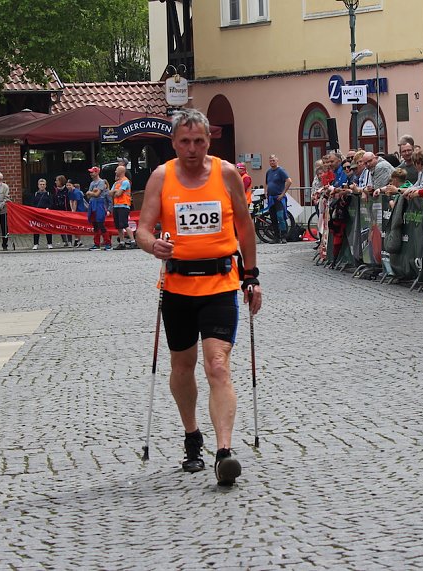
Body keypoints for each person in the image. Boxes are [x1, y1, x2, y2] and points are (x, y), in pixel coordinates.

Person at [136, 109, 262, 487]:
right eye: (185, 142)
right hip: (176, 287)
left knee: (217, 365)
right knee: (182, 366)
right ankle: (192, 435)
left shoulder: (225, 174)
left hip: (221, 283)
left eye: (200, 142)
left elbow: (244, 226)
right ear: (174, 143)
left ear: (210, 142)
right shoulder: (162, 176)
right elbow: (142, 229)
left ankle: (224, 452)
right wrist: (152, 245)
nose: (192, 149)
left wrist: (251, 277)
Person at [264, 154, 292, 244]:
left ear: (277, 161)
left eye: (273, 160)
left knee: (280, 216)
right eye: (271, 161)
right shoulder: (268, 172)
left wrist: (283, 193)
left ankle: (284, 236)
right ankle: (276, 237)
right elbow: (267, 183)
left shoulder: (281, 171)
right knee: (273, 217)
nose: (272, 162)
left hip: (278, 197)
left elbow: (289, 181)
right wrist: (265, 192)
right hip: (271, 198)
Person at [110, 164, 134, 249]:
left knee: (124, 224)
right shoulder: (116, 182)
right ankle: (122, 242)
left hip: (124, 205)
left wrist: (115, 191)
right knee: (118, 226)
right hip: (116, 206)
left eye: (116, 170)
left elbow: (118, 194)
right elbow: (110, 193)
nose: (115, 171)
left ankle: (133, 241)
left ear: (121, 172)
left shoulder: (125, 181)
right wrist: (116, 191)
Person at [86, 167, 110, 250]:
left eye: (92, 172)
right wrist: (93, 192)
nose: (91, 174)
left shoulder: (101, 182)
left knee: (101, 224)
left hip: (100, 203)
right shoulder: (92, 183)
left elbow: (97, 194)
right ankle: (96, 244)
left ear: (97, 173)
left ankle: (108, 243)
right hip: (93, 203)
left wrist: (91, 193)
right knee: (95, 224)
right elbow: (89, 195)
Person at [32, 179, 53, 249]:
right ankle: (35, 244)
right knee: (36, 229)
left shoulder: (48, 194)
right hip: (37, 214)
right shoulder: (35, 194)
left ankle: (49, 243)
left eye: (43, 184)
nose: (42, 186)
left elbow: (51, 203)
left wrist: (48, 208)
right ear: (38, 185)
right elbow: (33, 204)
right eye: (41, 184)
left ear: (45, 185)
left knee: (48, 228)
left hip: (46, 213)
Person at [67, 179, 87, 247]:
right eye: (67, 185)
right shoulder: (70, 192)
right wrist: (72, 209)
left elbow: (75, 202)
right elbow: (71, 201)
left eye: (69, 185)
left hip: (79, 210)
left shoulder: (76, 192)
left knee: (77, 226)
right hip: (74, 210)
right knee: (74, 226)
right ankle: (77, 239)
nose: (68, 186)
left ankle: (79, 240)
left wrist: (74, 211)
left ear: (73, 185)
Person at [52, 175, 72, 247]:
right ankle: (64, 241)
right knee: (61, 226)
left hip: (66, 210)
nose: (55, 182)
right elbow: (53, 200)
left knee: (68, 226)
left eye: (57, 180)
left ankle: (69, 241)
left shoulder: (67, 190)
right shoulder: (55, 190)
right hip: (58, 211)